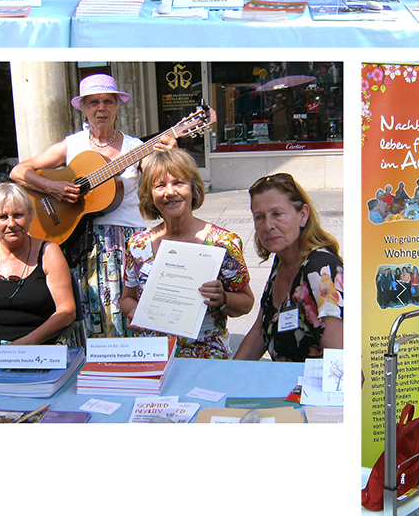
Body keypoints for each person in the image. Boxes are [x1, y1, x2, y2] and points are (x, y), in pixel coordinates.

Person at [10, 74, 174, 338]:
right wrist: (51, 187)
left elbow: (163, 181)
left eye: (108, 101)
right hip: (81, 242)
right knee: (89, 311)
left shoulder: (136, 148)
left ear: (118, 107)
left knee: (132, 312)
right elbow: (19, 171)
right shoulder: (72, 144)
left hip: (126, 240)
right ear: (84, 109)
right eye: (94, 102)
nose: (101, 108)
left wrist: (169, 156)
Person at [121, 149, 254, 359]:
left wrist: (223, 298)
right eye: (159, 185)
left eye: (179, 183)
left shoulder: (223, 242)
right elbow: (126, 298)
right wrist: (136, 311)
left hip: (205, 355)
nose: (169, 192)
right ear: (149, 195)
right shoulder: (138, 245)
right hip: (152, 354)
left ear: (193, 189)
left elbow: (246, 302)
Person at [234, 173, 343, 361]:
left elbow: (342, 364)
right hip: (283, 386)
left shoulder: (321, 270)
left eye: (277, 214)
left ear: (303, 215)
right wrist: (228, 376)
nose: (268, 225)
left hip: (312, 389)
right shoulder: (282, 261)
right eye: (259, 217)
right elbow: (260, 332)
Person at [0, 183, 75, 350]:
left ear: (30, 216)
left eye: (18, 215)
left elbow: (67, 311)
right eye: (2, 217)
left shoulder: (48, 253)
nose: (11, 224)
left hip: (34, 348)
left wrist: (25, 343)